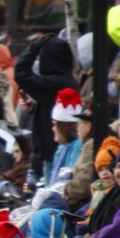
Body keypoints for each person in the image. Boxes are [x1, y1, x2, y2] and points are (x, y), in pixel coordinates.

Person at [14, 36, 80, 181]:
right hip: (52, 149)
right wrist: (36, 108)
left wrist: (34, 47)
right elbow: (54, 109)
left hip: (50, 152)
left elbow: (21, 73)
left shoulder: (52, 83)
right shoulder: (68, 81)